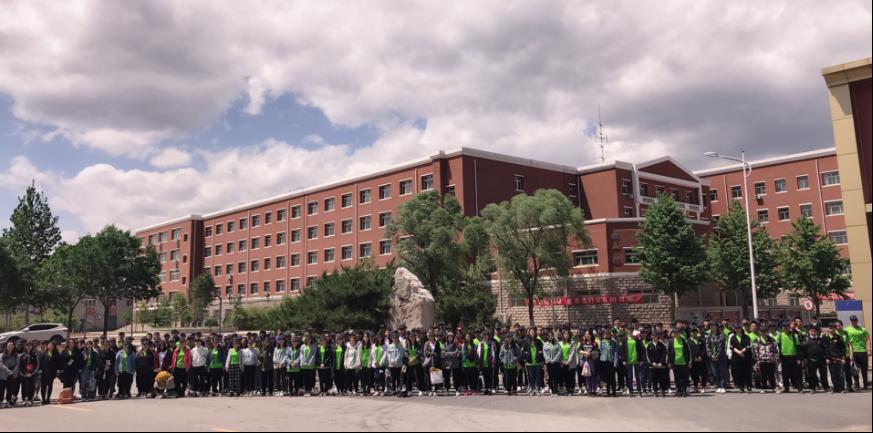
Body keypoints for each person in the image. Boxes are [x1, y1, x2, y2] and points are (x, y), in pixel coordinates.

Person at [844, 315, 870, 390]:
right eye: (852, 320)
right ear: (850, 321)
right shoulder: (847, 330)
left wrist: (869, 349)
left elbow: (868, 339)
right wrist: (850, 353)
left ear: (857, 320)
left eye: (855, 320)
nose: (854, 321)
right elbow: (846, 341)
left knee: (864, 370)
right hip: (854, 352)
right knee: (855, 369)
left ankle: (865, 385)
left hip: (863, 351)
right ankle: (857, 384)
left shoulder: (863, 329)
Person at [778, 322, 803, 393]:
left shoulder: (794, 335)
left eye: (786, 326)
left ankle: (799, 388)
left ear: (789, 327)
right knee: (785, 374)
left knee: (797, 373)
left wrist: (798, 358)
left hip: (794, 357)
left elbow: (798, 347)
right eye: (784, 326)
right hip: (784, 357)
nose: (785, 328)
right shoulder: (780, 335)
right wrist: (779, 357)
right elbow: (778, 346)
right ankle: (786, 388)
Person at [803, 327, 829, 393]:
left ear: (816, 332)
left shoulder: (820, 339)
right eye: (811, 331)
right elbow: (803, 350)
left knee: (823, 374)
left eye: (814, 331)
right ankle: (812, 388)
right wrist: (805, 358)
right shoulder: (806, 339)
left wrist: (826, 357)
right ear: (809, 332)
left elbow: (825, 348)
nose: (813, 332)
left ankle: (826, 387)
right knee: (812, 375)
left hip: (821, 359)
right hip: (811, 359)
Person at [619, 327, 643, 397]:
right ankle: (631, 391)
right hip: (628, 360)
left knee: (637, 376)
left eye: (631, 330)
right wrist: (623, 360)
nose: (630, 331)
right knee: (629, 377)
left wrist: (641, 359)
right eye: (629, 329)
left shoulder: (636, 338)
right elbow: (622, 350)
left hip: (636, 360)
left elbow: (640, 349)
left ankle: (639, 391)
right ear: (627, 330)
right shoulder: (624, 339)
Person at [754, 328, 779, 393]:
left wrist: (776, 358)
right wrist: (757, 360)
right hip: (761, 360)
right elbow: (755, 350)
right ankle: (764, 388)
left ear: (767, 331)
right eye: (762, 331)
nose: (763, 332)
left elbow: (776, 349)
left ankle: (773, 387)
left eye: (765, 331)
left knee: (771, 375)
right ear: (760, 332)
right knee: (763, 375)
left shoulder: (772, 339)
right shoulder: (757, 339)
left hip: (771, 360)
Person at [824, 326, 847, 394]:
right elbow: (825, 349)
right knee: (833, 374)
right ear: (828, 329)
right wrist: (827, 358)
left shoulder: (838, 337)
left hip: (838, 358)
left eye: (832, 328)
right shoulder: (825, 337)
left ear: (834, 329)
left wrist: (843, 357)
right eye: (830, 328)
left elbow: (843, 348)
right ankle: (835, 388)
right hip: (830, 359)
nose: (831, 330)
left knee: (840, 374)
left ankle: (842, 388)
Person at [729, 325, 752, 393]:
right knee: (739, 372)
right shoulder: (733, 337)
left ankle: (748, 386)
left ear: (741, 329)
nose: (737, 329)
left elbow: (748, 345)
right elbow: (731, 347)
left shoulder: (746, 337)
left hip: (746, 356)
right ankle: (741, 387)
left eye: (739, 328)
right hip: (736, 357)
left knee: (747, 372)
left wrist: (742, 351)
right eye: (736, 328)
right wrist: (739, 352)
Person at [667, 329, 691, 397]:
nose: (676, 334)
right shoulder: (671, 341)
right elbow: (669, 352)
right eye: (675, 333)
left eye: (677, 333)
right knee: (677, 377)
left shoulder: (685, 341)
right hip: (675, 362)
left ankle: (684, 390)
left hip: (684, 362)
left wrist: (689, 361)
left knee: (684, 377)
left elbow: (689, 351)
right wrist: (669, 362)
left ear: (680, 333)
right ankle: (679, 390)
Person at [706, 323, 728, 394]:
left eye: (713, 326)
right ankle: (719, 386)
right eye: (711, 326)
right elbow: (707, 344)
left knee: (722, 372)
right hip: (712, 357)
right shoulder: (709, 335)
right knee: (715, 372)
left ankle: (723, 386)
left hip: (721, 357)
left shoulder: (721, 335)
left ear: (716, 327)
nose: (712, 327)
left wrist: (716, 355)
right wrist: (711, 354)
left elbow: (720, 347)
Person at [646, 331, 669, 397]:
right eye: (653, 335)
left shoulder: (661, 344)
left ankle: (663, 391)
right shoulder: (649, 344)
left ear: (657, 336)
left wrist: (661, 362)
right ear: (651, 336)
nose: (654, 337)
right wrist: (652, 362)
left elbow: (664, 354)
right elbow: (648, 355)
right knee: (654, 379)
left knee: (662, 379)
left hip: (661, 365)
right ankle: (655, 391)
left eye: (655, 335)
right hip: (653, 365)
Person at [522, 328, 544, 396]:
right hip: (530, 362)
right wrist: (526, 356)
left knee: (538, 376)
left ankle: (537, 389)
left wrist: (540, 354)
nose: (532, 333)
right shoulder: (526, 341)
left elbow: (542, 349)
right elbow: (523, 351)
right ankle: (532, 389)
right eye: (531, 332)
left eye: (533, 331)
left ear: (535, 333)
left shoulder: (538, 341)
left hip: (537, 362)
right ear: (529, 333)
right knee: (531, 377)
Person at [18, 341, 39, 406]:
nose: (29, 347)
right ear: (25, 346)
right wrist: (24, 373)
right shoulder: (21, 355)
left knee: (31, 387)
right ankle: (24, 399)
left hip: (32, 374)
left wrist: (32, 373)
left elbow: (36, 365)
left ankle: (30, 399)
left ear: (32, 347)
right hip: (23, 374)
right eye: (27, 346)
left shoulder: (34, 355)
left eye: (30, 346)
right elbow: (19, 365)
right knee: (24, 387)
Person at [599, 329, 618, 397]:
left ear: (610, 334)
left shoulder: (614, 342)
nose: (607, 335)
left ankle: (614, 391)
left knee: (612, 377)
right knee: (606, 378)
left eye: (608, 334)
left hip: (611, 362)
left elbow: (616, 353)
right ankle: (608, 391)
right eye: (606, 334)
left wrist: (615, 362)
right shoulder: (602, 342)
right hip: (604, 362)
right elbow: (600, 351)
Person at [688, 329, 706, 393]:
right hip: (693, 361)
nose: (694, 333)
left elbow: (704, 349)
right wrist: (694, 357)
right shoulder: (688, 341)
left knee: (703, 374)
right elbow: (688, 351)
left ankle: (703, 387)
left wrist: (701, 356)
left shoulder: (701, 340)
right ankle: (696, 387)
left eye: (695, 332)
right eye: (693, 332)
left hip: (701, 360)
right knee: (694, 374)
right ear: (690, 333)